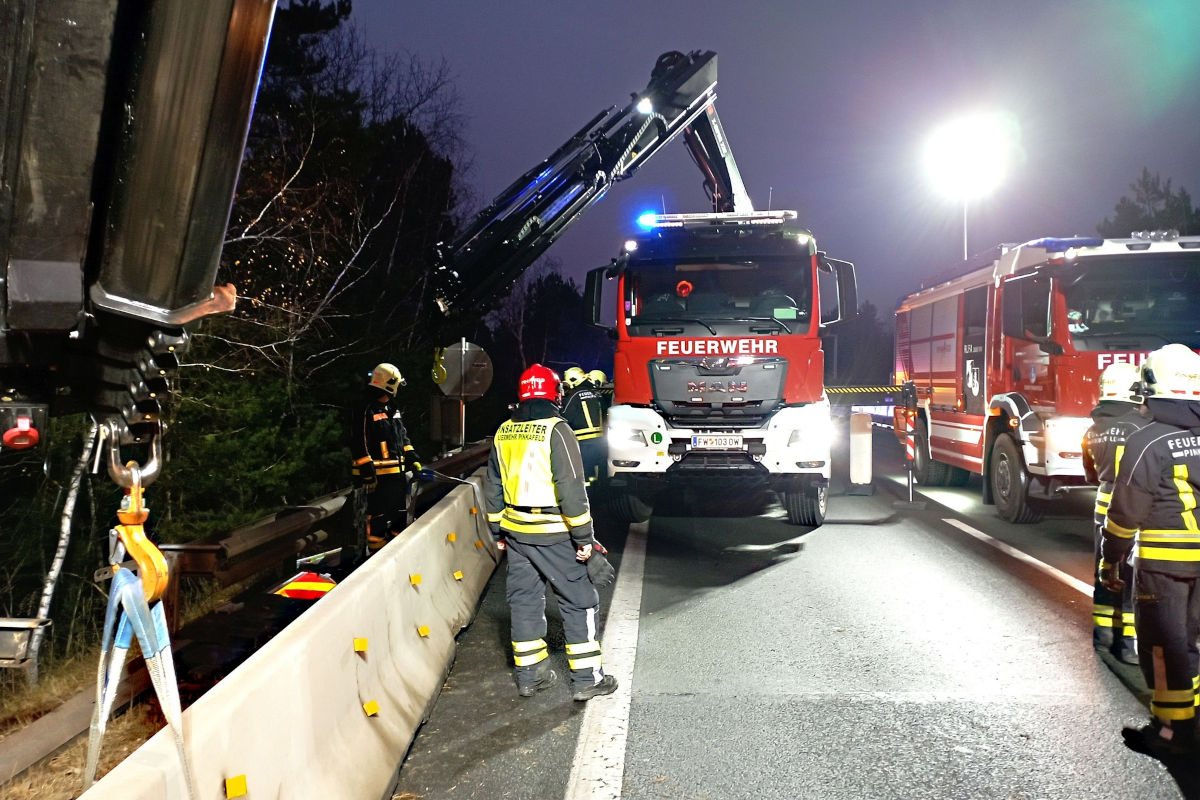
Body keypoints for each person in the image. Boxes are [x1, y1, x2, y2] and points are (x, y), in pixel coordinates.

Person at [484, 363, 618, 701]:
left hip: (516, 533)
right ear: (555, 394)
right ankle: (588, 679)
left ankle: (531, 676)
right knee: (580, 601)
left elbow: (493, 485)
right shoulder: (557, 429)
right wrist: (585, 539)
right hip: (554, 532)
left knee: (525, 601)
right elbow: (571, 489)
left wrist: (497, 529)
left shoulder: (503, 432)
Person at [1100, 343, 1200, 757]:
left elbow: (1125, 512)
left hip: (1164, 565)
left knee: (1163, 645)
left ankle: (1170, 733)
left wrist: (1112, 556)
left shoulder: (1147, 442)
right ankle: (1190, 718)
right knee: (1191, 641)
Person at [1082, 360, 1148, 664]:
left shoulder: (1092, 430)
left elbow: (1091, 475)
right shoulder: (1141, 427)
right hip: (1132, 506)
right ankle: (1129, 643)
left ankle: (1103, 635)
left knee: (1104, 569)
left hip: (1103, 505)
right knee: (1132, 573)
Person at [350, 363, 422, 554]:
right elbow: (359, 440)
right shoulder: (365, 408)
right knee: (377, 521)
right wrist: (366, 471)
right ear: (389, 383)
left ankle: (396, 555)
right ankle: (376, 558)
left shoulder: (392, 407)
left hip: (395, 476)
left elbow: (402, 436)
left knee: (399, 516)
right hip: (375, 479)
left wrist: (411, 456)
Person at [561, 367, 605, 485]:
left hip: (583, 441)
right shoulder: (595, 393)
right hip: (600, 440)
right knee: (596, 471)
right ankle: (597, 492)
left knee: (584, 472)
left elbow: (565, 415)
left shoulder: (575, 395)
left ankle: (587, 495)